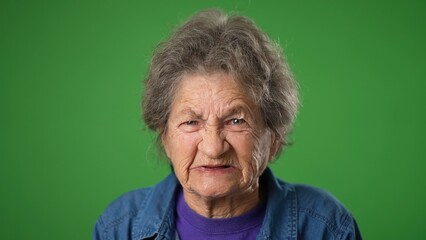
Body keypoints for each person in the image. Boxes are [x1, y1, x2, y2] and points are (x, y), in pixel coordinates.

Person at [93, 9, 362, 240]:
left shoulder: (325, 227)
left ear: (274, 138)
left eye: (236, 121)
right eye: (191, 122)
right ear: (165, 137)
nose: (213, 148)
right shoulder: (119, 227)